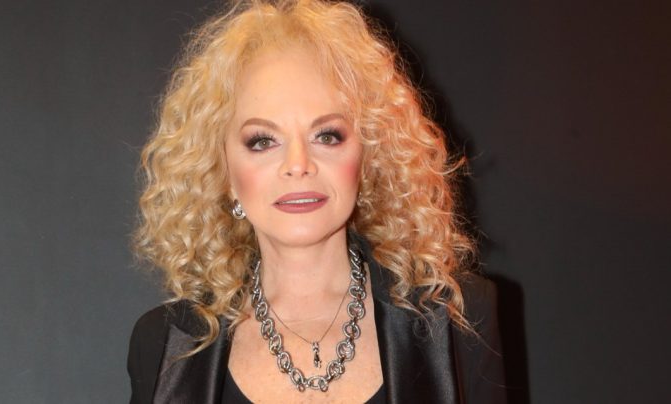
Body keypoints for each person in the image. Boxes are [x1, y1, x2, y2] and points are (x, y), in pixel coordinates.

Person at [128, 0, 506, 403]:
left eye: (327, 136)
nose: (298, 165)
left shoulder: (458, 317)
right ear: (224, 173)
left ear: (368, 156)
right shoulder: (164, 345)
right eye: (263, 141)